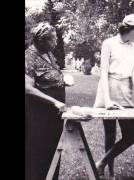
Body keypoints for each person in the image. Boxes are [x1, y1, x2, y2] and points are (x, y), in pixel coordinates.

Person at [93, 14, 134, 179]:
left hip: (125, 90)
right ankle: (109, 174)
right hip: (108, 87)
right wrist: (108, 99)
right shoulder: (108, 43)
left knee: (131, 136)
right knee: (110, 134)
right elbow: (103, 73)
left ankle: (101, 162)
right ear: (128, 29)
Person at [25, 22, 68, 180]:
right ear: (41, 41)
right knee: (38, 149)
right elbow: (27, 88)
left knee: (54, 147)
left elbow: (52, 75)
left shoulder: (49, 53)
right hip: (38, 113)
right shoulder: (29, 57)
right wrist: (54, 101)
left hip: (54, 112)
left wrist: (63, 81)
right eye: (52, 39)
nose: (56, 42)